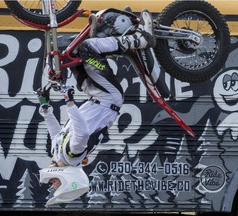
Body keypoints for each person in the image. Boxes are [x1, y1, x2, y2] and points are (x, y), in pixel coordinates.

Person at [38, 9, 157, 204]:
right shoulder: (73, 154)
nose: (51, 183)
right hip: (109, 97)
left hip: (95, 94)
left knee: (70, 53)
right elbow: (82, 132)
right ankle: (141, 40)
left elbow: (54, 133)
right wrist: (69, 101)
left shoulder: (59, 152)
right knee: (88, 49)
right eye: (55, 184)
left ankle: (112, 30)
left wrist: (45, 109)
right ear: (66, 179)